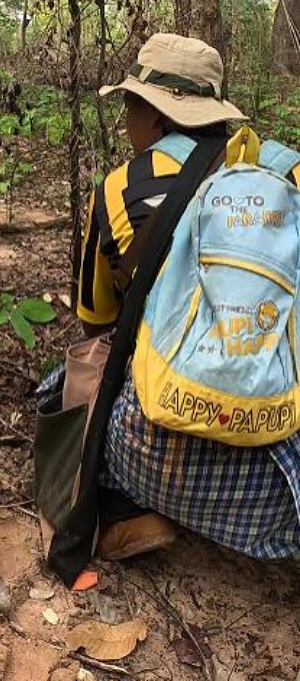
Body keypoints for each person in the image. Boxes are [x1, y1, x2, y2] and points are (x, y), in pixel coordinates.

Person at [77, 33, 300, 561]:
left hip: (149, 461)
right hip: (274, 483)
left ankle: (122, 512)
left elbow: (97, 322)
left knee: (69, 382)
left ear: (153, 114)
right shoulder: (285, 172)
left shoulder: (115, 189)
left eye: (130, 106)